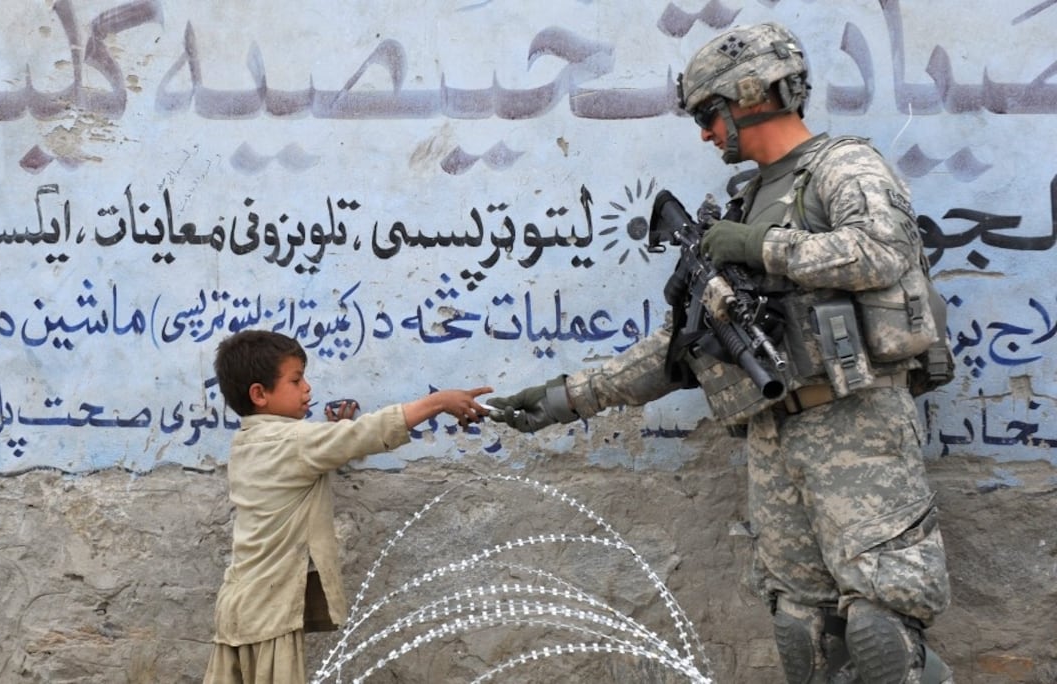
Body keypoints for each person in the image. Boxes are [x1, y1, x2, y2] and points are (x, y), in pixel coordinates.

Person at [487, 22, 955, 684]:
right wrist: (567, 396)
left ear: (750, 95)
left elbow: (885, 252)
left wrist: (761, 247)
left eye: (710, 114)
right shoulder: (746, 198)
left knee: (880, 627)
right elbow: (684, 347)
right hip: (774, 434)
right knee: (804, 630)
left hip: (856, 423)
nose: (706, 133)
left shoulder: (844, 166)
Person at [204, 329, 491, 684]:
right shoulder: (293, 442)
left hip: (238, 605)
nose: (307, 388)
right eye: (296, 380)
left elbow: (318, 447)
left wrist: (334, 431)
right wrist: (438, 402)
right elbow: (363, 434)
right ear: (260, 394)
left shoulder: (247, 441)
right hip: (267, 615)